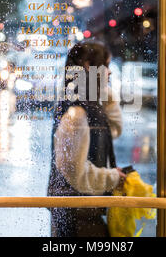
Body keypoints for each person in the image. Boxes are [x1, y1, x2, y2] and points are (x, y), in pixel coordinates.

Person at [47, 41, 126, 237]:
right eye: (106, 66)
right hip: (75, 216)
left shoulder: (86, 105)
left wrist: (102, 90)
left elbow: (112, 130)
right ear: (89, 66)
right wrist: (113, 178)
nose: (110, 73)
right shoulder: (77, 114)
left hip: (81, 211)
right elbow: (78, 175)